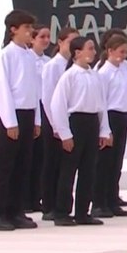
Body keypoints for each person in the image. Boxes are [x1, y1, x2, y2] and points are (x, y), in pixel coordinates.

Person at [0, 10, 41, 231]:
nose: (30, 32)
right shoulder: (6, 55)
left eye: (31, 28)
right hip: (11, 115)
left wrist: (36, 119)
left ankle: (15, 211)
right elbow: (2, 90)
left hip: (27, 113)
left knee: (22, 165)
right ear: (13, 30)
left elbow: (35, 90)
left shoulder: (29, 55)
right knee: (3, 167)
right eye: (26, 28)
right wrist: (9, 122)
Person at [49, 36, 111, 226]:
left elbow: (102, 105)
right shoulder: (69, 76)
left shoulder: (95, 75)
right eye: (90, 48)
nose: (93, 52)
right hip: (76, 122)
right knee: (68, 170)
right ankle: (62, 212)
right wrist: (65, 134)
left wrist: (104, 130)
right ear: (77, 53)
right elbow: (57, 105)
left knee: (88, 170)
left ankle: (83, 212)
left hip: (92, 122)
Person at [92, 33, 127, 218]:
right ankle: (99, 203)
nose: (123, 56)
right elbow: (101, 102)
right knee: (104, 163)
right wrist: (105, 129)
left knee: (116, 163)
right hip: (109, 117)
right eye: (120, 52)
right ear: (110, 51)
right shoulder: (103, 72)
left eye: (126, 52)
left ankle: (112, 199)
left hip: (122, 116)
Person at [39, 28, 77, 220]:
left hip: (69, 120)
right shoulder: (53, 66)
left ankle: (62, 203)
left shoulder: (74, 66)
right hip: (53, 120)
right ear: (61, 42)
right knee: (52, 162)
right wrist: (55, 125)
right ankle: (48, 205)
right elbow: (47, 97)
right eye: (71, 42)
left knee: (66, 164)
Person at [26, 26, 52, 213]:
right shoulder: (28, 59)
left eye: (48, 37)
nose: (45, 40)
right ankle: (25, 198)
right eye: (41, 37)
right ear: (32, 39)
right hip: (32, 107)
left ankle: (37, 196)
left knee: (42, 157)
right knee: (29, 155)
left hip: (45, 107)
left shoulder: (48, 62)